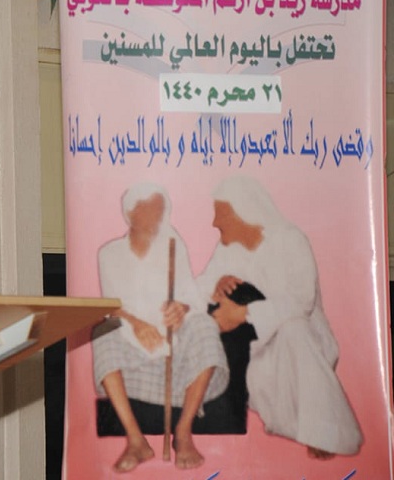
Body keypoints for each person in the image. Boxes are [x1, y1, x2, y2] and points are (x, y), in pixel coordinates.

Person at [197, 175, 362, 459]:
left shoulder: (290, 239)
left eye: (220, 214)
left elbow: (301, 301)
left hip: (303, 343)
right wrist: (216, 285)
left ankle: (325, 431)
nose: (214, 222)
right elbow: (202, 285)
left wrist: (245, 313)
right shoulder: (228, 247)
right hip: (255, 347)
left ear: (242, 213)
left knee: (292, 328)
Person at [93, 183, 228, 472]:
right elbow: (110, 305)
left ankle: (183, 431)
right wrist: (138, 324)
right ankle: (136, 441)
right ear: (130, 213)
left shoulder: (172, 244)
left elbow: (192, 296)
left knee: (205, 325)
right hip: (130, 333)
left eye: (160, 210)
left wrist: (182, 308)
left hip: (173, 334)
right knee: (102, 331)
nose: (156, 217)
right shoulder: (109, 254)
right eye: (149, 210)